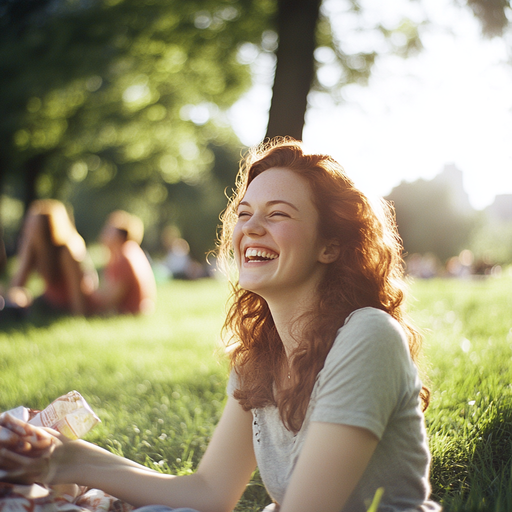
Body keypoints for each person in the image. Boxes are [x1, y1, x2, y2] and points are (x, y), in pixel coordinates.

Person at [0, 139, 440, 512]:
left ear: (330, 245)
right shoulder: (259, 356)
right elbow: (209, 492)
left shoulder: (368, 335)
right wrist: (64, 459)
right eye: (245, 214)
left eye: (278, 214)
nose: (252, 229)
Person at [4, 199, 98, 317]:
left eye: (32, 225)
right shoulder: (35, 249)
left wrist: (79, 317)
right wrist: (25, 252)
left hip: (68, 304)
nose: (26, 229)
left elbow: (79, 303)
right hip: (51, 302)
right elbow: (15, 290)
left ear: (49, 226)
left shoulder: (66, 251)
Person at [89, 210, 156, 316]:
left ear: (120, 236)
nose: (103, 233)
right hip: (136, 311)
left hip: (129, 312)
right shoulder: (131, 251)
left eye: (109, 229)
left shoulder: (123, 258)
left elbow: (109, 300)